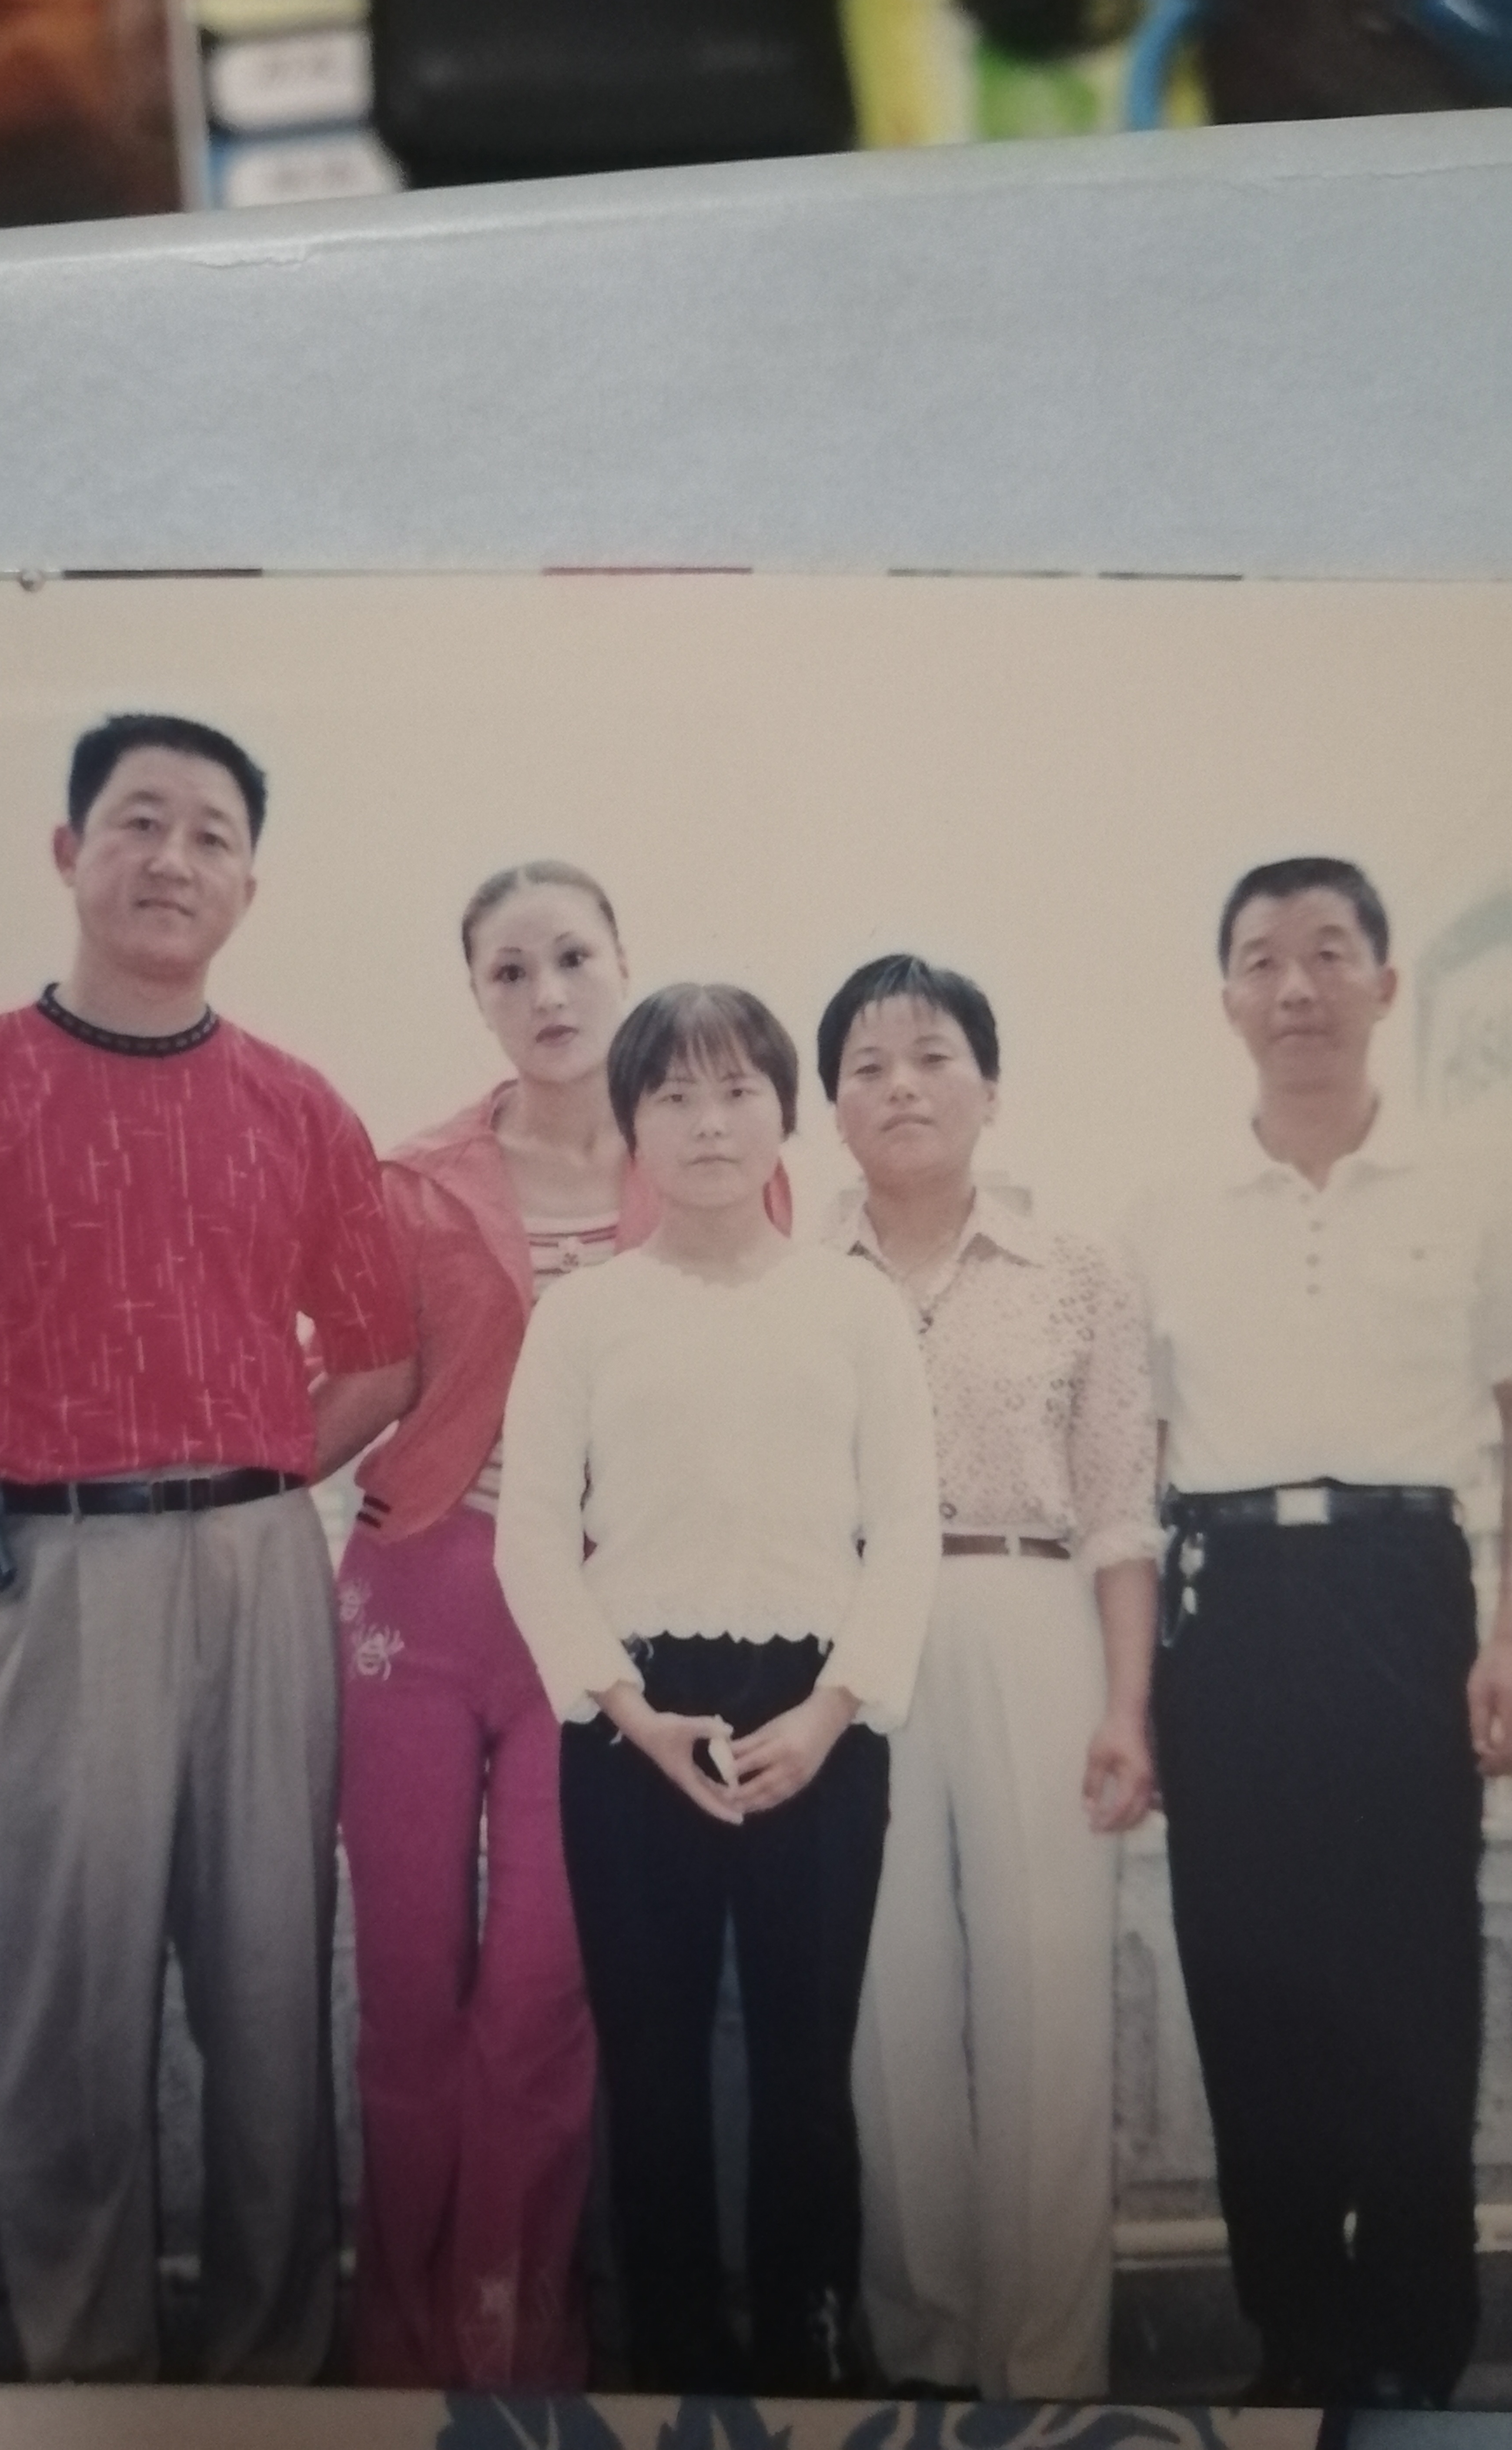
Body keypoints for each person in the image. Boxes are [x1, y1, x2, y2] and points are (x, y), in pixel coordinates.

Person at [0, 712, 417, 2384]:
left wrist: (255, 1481)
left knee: (272, 2000)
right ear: (70, 853)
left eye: (213, 835)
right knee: (66, 2013)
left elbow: (380, 1355)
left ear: (249, 889)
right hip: (47, 1581)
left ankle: (271, 2377)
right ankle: (91, 2383)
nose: (173, 858)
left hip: (258, 1576)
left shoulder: (300, 1105)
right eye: (139, 821)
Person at [495, 982, 940, 2396]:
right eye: (674, 1094)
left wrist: (833, 1711)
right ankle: (674, 2352)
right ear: (632, 1124)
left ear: (782, 1114)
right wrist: (627, 1712)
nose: (708, 1122)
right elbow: (529, 1534)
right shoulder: (583, 1316)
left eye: (738, 1089)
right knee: (653, 2057)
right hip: (635, 1718)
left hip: (819, 1708)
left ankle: (810, 2346)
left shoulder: (854, 1304)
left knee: (808, 2055)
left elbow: (907, 1528)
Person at [1123, 856, 1512, 2408]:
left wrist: (1505, 1635)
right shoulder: (1165, 1212)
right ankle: (1296, 2338)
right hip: (1228, 1607)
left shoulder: (1475, 1191)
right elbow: (1132, 1468)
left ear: (1385, 984)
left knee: (1418, 1982)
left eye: (1330, 953)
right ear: (1227, 997)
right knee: (1246, 1980)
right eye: (1264, 960)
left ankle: (1417, 2349)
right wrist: (1132, 1696)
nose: (1297, 987)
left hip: (1410, 1593)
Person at [819, 952, 1161, 2401]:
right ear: (832, 1106)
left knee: (1048, 1989)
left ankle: (1050, 2364)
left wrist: (1127, 1707)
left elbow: (1122, 1506)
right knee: (887, 1996)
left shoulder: (1075, 1269)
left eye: (933, 1056)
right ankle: (926, 2345)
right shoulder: (795, 1275)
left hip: (1033, 1609)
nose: (901, 1086)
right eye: (868, 1065)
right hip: (854, 1642)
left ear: (991, 1088)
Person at [333, 860, 626, 2390]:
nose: (548, 994)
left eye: (573, 957)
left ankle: (516, 2328)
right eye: (511, 972)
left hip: (601, 1615)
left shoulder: (707, 1157)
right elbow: (363, 1381)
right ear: (478, 998)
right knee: (406, 1983)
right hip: (422, 1595)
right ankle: (401, 2336)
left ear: (623, 965)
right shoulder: (415, 1177)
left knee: (539, 1989)